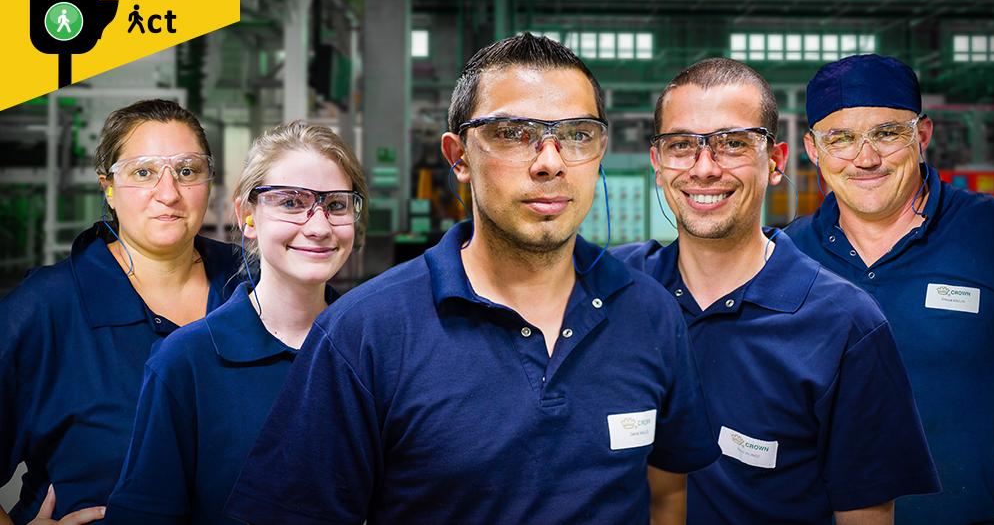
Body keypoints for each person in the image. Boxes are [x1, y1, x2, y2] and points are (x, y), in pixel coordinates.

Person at [224, 33, 720, 525]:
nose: (550, 161)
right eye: (513, 133)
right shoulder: (365, 334)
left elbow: (665, 495)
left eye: (576, 134)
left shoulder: (650, 313)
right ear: (459, 156)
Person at [613, 58, 940, 524]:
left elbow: (865, 515)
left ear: (775, 162)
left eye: (733, 144)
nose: (705, 169)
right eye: (682, 145)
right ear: (658, 163)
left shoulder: (844, 324)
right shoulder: (613, 288)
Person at [786, 54, 994, 524]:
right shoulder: (786, 255)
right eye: (840, 138)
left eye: (886, 133)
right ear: (814, 150)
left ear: (921, 136)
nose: (865, 157)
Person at [103, 122, 367, 525]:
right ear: (247, 217)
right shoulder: (187, 362)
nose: (318, 227)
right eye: (291, 203)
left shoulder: (374, 353)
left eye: (336, 205)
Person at [0, 99, 241, 525]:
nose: (168, 193)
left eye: (187, 171)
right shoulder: (47, 308)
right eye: (143, 172)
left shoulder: (252, 285)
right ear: (107, 186)